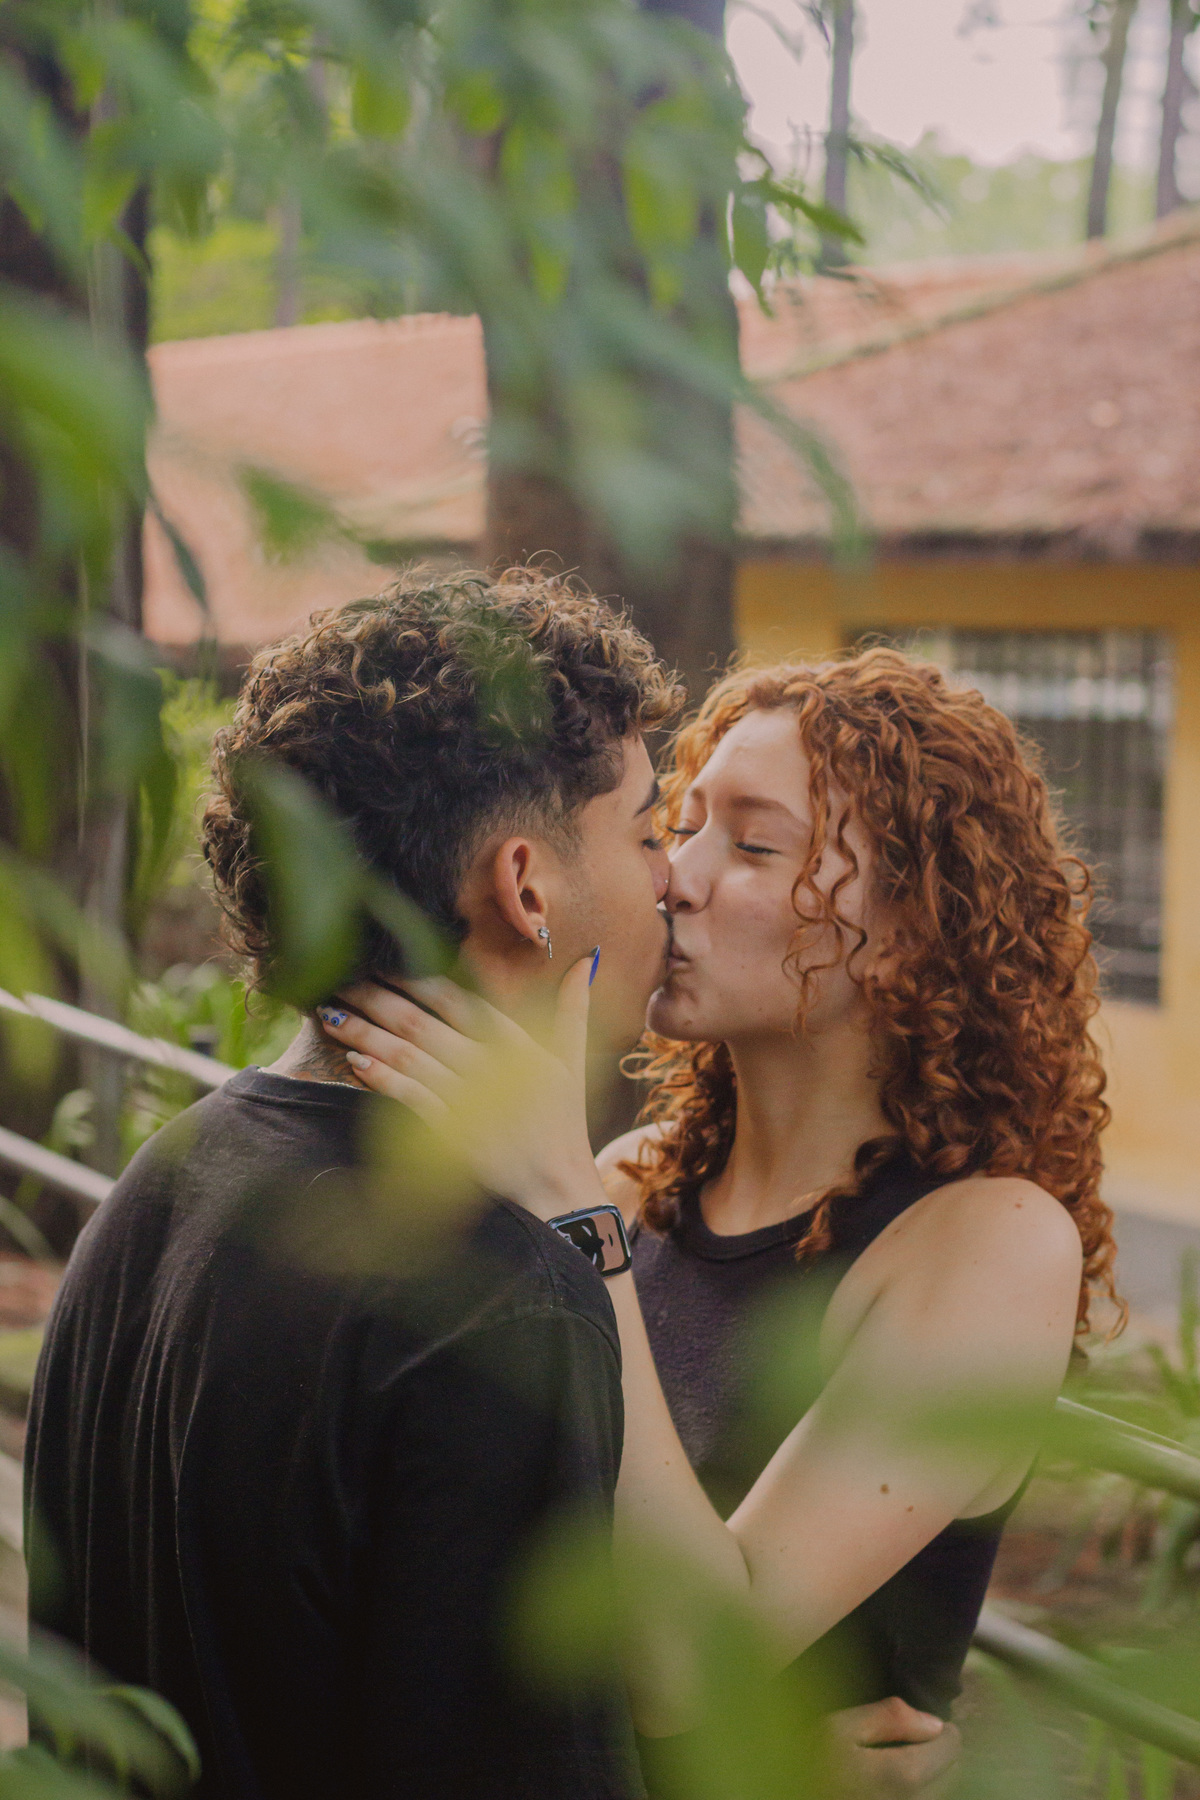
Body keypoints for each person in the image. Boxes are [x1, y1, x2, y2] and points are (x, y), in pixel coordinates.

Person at [24, 576, 946, 1800]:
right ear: (526, 889)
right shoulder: (496, 1298)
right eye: (642, 830)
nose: (670, 877)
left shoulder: (170, 1177)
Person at [316, 648, 1120, 1776]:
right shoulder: (630, 1180)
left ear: (912, 928)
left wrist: (567, 1210)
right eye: (676, 829)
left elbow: (686, 1663)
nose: (674, 879)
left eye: (750, 844)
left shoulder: (991, 1243)